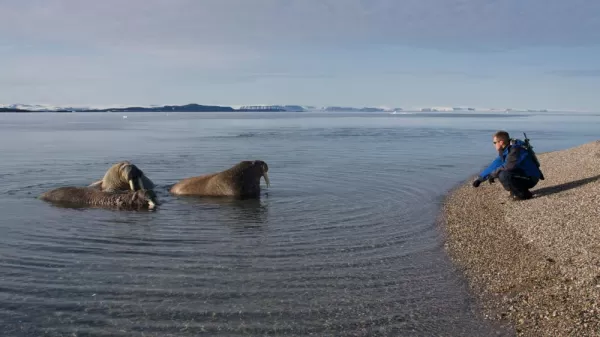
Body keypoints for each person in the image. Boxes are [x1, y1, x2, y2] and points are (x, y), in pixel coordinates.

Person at [472, 130, 542, 200]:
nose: (493, 145)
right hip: (524, 175)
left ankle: (524, 194)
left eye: (494, 142)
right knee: (501, 172)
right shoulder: (506, 150)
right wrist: (480, 179)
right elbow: (495, 164)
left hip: (531, 177)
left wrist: (492, 175)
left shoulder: (515, 150)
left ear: (501, 142)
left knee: (503, 174)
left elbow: (508, 167)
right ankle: (516, 192)